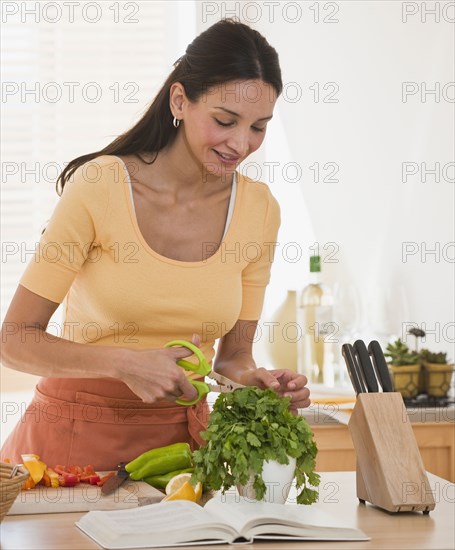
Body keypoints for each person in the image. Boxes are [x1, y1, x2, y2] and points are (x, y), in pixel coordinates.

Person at [0, 18, 310, 470]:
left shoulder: (259, 210)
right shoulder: (101, 186)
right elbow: (14, 341)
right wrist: (124, 363)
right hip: (72, 443)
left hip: (181, 455)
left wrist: (256, 381)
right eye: (225, 121)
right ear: (180, 100)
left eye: (259, 127)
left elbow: (234, 357)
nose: (241, 144)